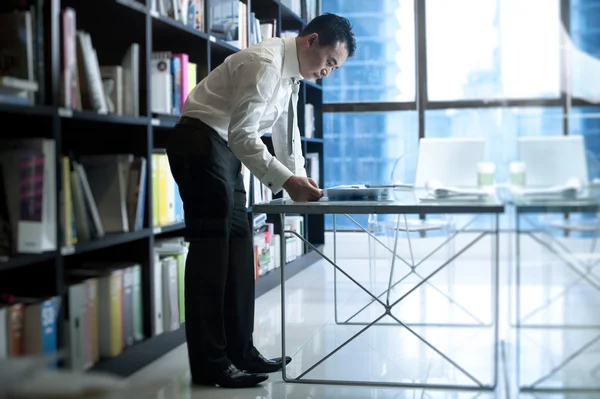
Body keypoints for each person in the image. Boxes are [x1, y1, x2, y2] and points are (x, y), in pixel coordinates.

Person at [165, 13, 356, 389]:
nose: (327, 73)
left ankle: (241, 351)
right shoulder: (266, 63)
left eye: (335, 68)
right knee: (211, 256)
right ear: (311, 41)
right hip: (201, 142)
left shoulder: (292, 75)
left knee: (238, 251)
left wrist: (299, 179)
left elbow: (288, 134)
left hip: (220, 148)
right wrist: (287, 181)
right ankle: (211, 365)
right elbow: (243, 136)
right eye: (330, 62)